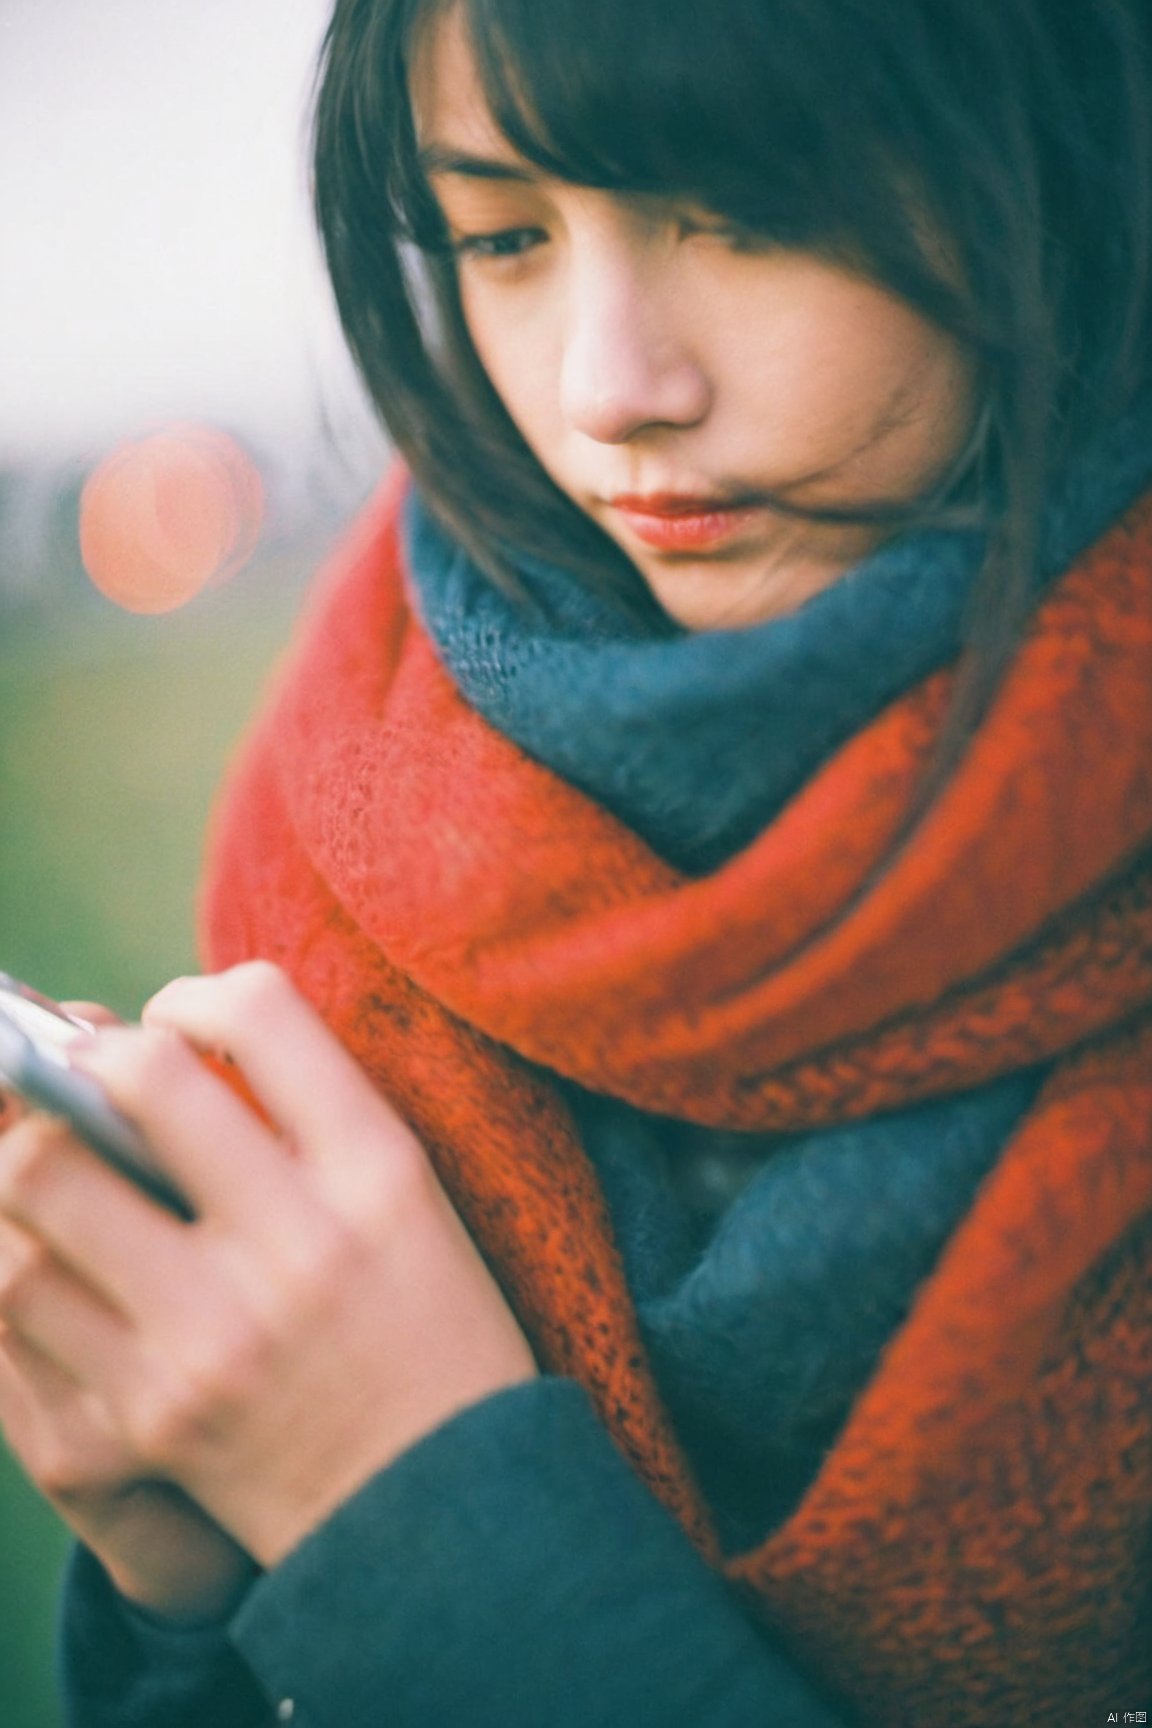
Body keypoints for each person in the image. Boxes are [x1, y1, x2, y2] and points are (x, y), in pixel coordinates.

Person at [0, 0, 1150, 1722]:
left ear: (1071, 173)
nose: (609, 386)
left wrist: (391, 1506)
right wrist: (197, 1580)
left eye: (748, 215)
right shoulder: (351, 789)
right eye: (504, 236)